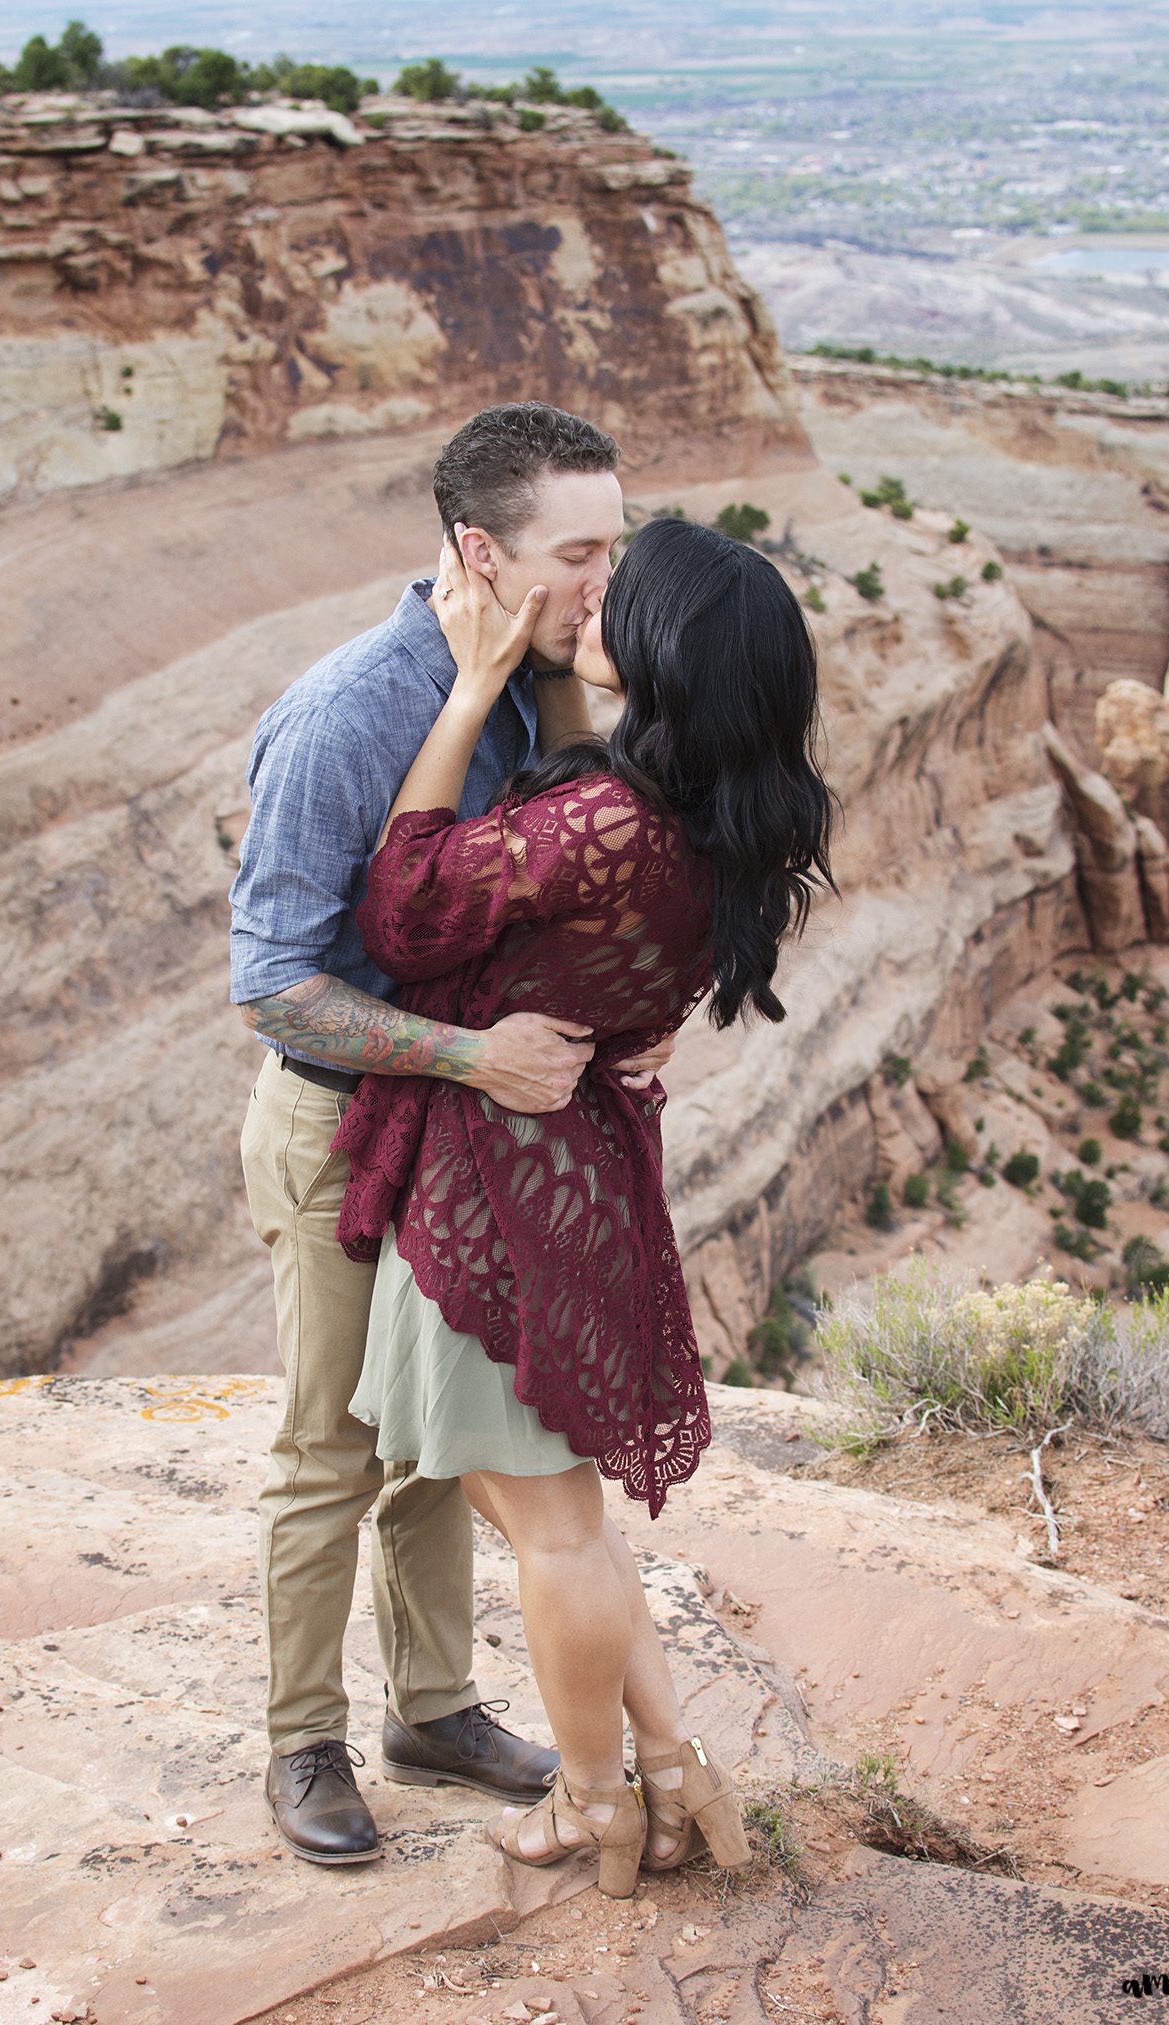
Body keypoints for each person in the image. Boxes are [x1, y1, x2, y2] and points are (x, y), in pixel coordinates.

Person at [333, 512, 841, 1896]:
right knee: (567, 1523)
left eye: (622, 588)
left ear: (668, 656)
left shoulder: (605, 823)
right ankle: (671, 1770)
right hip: (589, 1181)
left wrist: (466, 685)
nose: (594, 591)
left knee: (551, 1531)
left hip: (493, 1197)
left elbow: (405, 905)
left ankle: (588, 1803)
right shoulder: (717, 817)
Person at [229, 402, 677, 1867]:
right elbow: (274, 980)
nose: (602, 591)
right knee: (331, 1446)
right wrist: (469, 1055)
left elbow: (538, 899)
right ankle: (305, 1739)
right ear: (479, 551)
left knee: (429, 1444)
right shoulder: (350, 712)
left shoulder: (538, 685)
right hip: (340, 1123)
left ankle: (432, 1707)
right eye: (579, 557)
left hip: (456, 1140)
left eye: (614, 554)